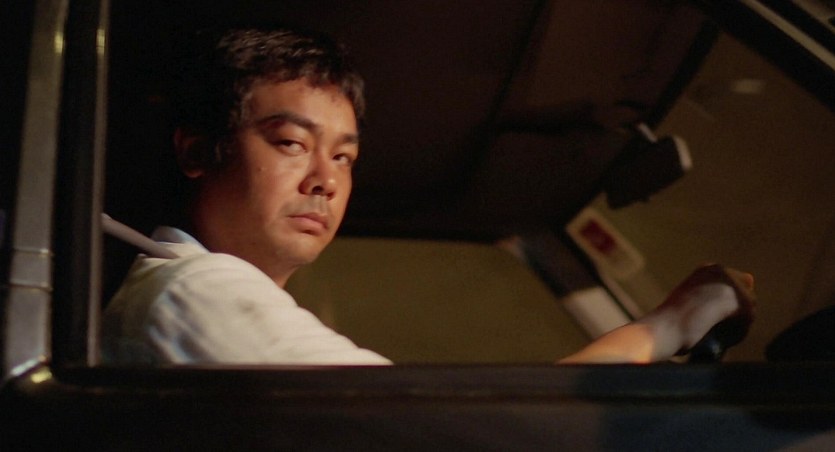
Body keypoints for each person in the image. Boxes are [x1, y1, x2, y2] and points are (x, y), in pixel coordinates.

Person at [101, 27, 755, 366]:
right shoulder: (196, 292)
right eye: (292, 143)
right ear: (197, 152)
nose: (325, 179)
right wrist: (672, 324)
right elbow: (468, 432)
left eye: (344, 156)